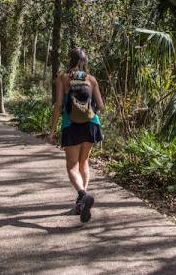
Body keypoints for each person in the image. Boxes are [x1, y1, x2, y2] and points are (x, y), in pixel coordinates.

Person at [46, 47, 104, 223]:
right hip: (91, 125)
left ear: (69, 60)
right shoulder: (91, 79)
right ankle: (82, 201)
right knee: (84, 162)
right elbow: (100, 106)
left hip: (71, 125)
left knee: (71, 166)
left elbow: (57, 106)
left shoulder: (63, 78)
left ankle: (82, 194)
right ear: (84, 61)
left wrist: (52, 129)